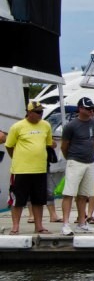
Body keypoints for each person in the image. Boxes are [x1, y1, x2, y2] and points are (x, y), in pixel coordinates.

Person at [5, 100, 53, 235]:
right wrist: (17, 158)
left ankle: (39, 226)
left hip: (40, 169)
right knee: (17, 200)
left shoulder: (46, 125)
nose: (40, 115)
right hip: (21, 169)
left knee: (38, 200)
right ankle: (15, 227)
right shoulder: (17, 126)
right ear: (29, 112)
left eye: (41, 112)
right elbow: (9, 145)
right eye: (37, 112)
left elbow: (48, 143)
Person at [59, 97, 94, 235]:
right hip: (75, 161)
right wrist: (70, 158)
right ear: (80, 109)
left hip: (89, 161)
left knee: (84, 194)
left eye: (92, 109)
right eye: (88, 108)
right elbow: (64, 146)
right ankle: (66, 224)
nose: (91, 111)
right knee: (69, 193)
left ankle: (81, 223)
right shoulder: (71, 126)